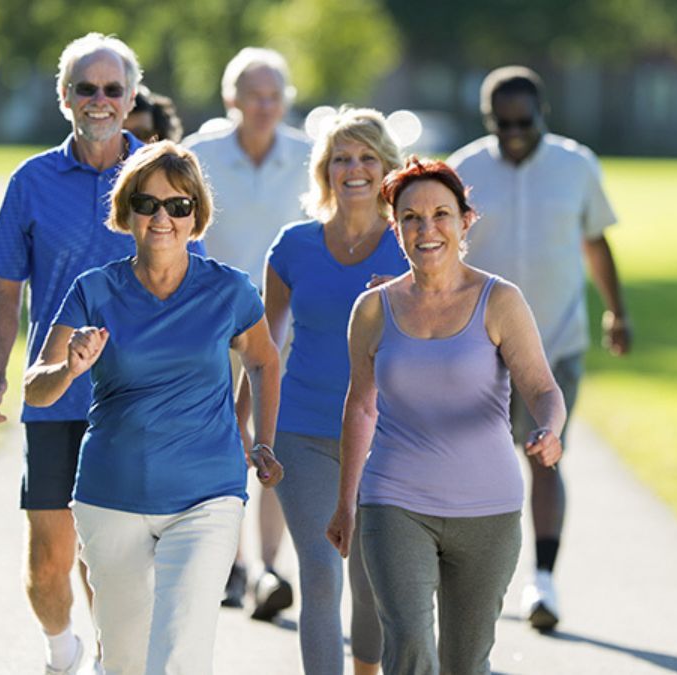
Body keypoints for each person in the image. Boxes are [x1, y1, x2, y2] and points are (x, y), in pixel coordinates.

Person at [0, 32, 203, 674]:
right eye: (85, 88)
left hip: (136, 401)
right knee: (50, 558)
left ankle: (115, 660)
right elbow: (4, 287)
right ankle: (61, 649)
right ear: (64, 97)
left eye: (112, 89)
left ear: (131, 97)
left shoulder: (164, 174)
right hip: (55, 394)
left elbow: (196, 283)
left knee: (118, 558)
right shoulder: (31, 181)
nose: (99, 100)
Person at [23, 140, 284, 674]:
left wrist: (262, 441)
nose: (162, 217)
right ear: (127, 212)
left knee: (179, 652)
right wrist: (70, 368)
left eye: (179, 205)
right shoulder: (92, 290)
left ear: (196, 216)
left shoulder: (229, 291)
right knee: (124, 658)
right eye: (147, 204)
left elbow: (263, 362)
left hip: (207, 497)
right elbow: (35, 388)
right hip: (111, 495)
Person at [326, 156, 566, 674]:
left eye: (440, 214)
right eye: (410, 217)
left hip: (488, 510)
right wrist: (346, 503)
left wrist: (550, 429)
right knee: (410, 644)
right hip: (394, 502)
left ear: (465, 221)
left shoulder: (499, 300)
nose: (426, 228)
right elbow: (360, 406)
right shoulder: (373, 309)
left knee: (465, 661)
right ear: (395, 228)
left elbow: (542, 387)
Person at [447, 65, 633, 633]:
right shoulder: (465, 169)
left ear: (542, 114)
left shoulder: (576, 165)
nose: (513, 133)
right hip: (477, 347)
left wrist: (617, 312)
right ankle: (472, 579)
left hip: (557, 341)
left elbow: (595, 241)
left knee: (545, 454)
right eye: (501, 124)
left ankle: (543, 580)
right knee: (477, 462)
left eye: (523, 121)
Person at [264, 107, 408, 675]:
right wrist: (253, 429)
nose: (354, 169)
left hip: (386, 437)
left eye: (367, 157)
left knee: (370, 579)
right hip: (302, 432)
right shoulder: (293, 246)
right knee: (320, 575)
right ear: (324, 171)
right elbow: (264, 350)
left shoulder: (410, 246)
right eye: (341, 158)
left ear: (386, 169)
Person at [183, 47, 310, 619]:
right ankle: (229, 566)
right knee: (220, 443)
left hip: (286, 327)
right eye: (253, 96)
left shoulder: (311, 156)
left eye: (273, 96)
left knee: (273, 443)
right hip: (213, 324)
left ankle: (267, 568)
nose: (264, 106)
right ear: (230, 99)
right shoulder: (198, 155)